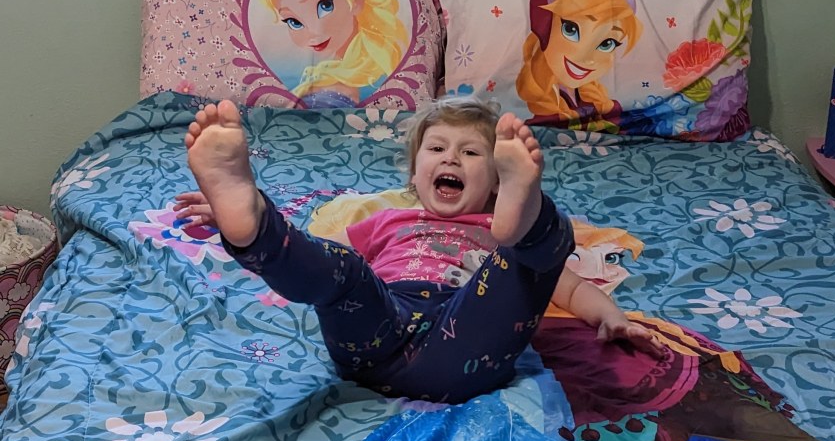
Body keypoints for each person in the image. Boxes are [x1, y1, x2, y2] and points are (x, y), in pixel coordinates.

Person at [180, 95, 660, 403]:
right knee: (347, 272)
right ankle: (254, 227)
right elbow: (321, 264)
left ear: (497, 183)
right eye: (437, 149)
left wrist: (611, 317)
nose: (452, 158)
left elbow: (570, 288)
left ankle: (534, 214)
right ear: (414, 172)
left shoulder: (498, 233)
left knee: (531, 260)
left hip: (464, 346)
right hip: (376, 336)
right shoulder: (388, 219)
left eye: (471, 153)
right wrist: (256, 227)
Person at [246, 0, 408, 107]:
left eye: (325, 5)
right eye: (294, 21)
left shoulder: (369, 69)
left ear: (356, 0)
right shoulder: (329, 71)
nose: (314, 32)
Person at [515, 0, 642, 126]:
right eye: (570, 29)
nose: (585, 57)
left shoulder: (591, 96)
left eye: (607, 44)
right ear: (546, 31)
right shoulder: (543, 101)